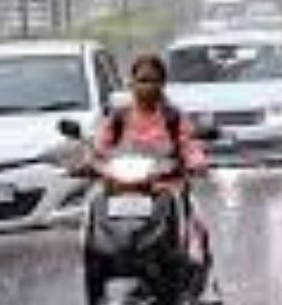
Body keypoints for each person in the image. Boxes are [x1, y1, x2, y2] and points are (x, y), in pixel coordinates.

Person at [88, 54, 213, 305]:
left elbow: (188, 144)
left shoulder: (172, 117)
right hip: (122, 189)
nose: (147, 86)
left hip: (166, 187)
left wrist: (196, 161)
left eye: (153, 80)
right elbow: (100, 149)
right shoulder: (119, 117)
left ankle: (201, 283)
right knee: (93, 204)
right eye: (142, 80)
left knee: (197, 226)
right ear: (131, 83)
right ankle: (96, 278)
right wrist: (89, 163)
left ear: (162, 83)